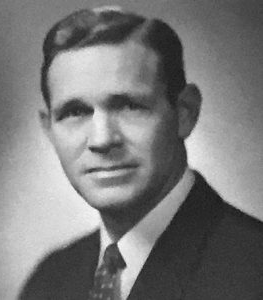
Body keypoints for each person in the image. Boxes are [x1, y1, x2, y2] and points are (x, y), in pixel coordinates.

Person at [19, 6, 263, 300]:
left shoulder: (253, 269)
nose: (102, 139)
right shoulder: (50, 281)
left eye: (129, 106)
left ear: (185, 113)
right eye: (75, 112)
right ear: (49, 129)